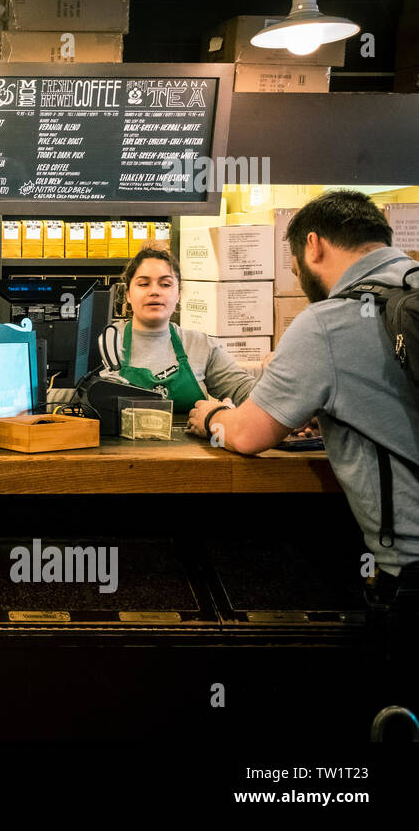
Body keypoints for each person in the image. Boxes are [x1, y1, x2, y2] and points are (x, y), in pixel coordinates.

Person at [187, 190, 419, 714]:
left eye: (294, 267)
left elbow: (246, 436)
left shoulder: (329, 321)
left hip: (412, 577)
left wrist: (210, 418)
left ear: (312, 246)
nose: (297, 280)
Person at [99, 246, 256, 413]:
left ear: (179, 294)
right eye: (144, 284)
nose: (154, 291)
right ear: (128, 294)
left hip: (189, 439)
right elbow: (71, 396)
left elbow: (246, 391)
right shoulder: (105, 343)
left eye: (165, 284)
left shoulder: (200, 345)